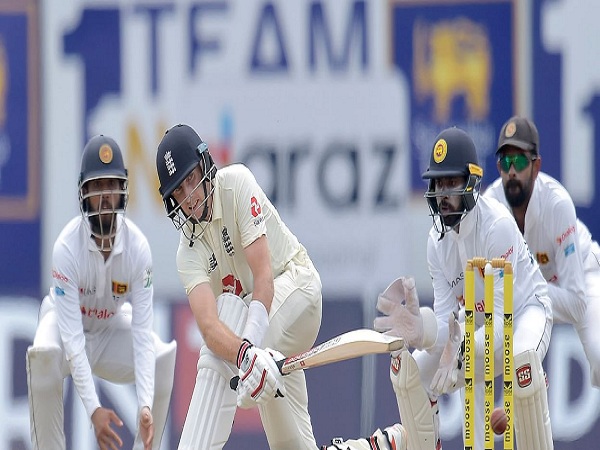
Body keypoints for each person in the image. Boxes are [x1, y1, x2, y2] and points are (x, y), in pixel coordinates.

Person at [371, 127, 554, 449]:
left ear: (471, 183)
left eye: (451, 183)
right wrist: (424, 331)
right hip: (474, 330)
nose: (443, 194)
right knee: (412, 375)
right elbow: (447, 323)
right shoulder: (436, 244)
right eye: (438, 184)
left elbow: (501, 327)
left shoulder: (496, 227)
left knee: (523, 365)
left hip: (524, 315)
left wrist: (459, 349)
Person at [155, 123, 323, 450]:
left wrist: (246, 353)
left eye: (191, 179)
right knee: (291, 446)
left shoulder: (236, 184)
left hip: (298, 291)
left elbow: (264, 276)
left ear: (205, 166)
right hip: (264, 337)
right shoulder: (187, 253)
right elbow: (208, 326)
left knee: (231, 332)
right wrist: (247, 356)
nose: (189, 196)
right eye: (179, 191)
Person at [26, 135, 177, 450]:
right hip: (65, 329)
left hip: (109, 328)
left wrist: (145, 404)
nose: (105, 196)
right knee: (43, 356)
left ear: (123, 191)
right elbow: (72, 340)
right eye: (97, 186)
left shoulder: (138, 249)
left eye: (111, 185)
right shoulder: (67, 248)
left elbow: (141, 333)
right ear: (84, 194)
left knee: (161, 357)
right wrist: (94, 410)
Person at [485, 115, 600, 387]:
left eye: (520, 161)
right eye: (506, 163)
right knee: (501, 358)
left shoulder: (556, 203)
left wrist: (528, 289)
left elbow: (577, 304)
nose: (512, 172)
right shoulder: (491, 206)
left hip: (582, 275)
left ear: (536, 166)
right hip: (530, 294)